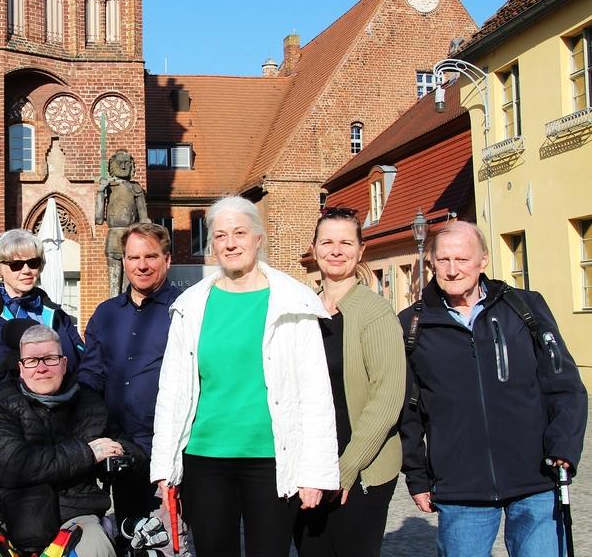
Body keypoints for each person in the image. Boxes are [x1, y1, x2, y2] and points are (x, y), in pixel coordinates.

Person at [150, 195, 339, 557]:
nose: (230, 243)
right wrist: (164, 465)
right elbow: (172, 391)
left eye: (239, 232)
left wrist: (316, 474)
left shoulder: (293, 304)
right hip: (205, 459)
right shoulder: (190, 306)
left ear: (258, 238)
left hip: (270, 460)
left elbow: (315, 394)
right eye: (220, 236)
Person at [400, 220, 587, 556]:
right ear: (431, 263)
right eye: (443, 260)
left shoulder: (524, 307)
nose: (453, 270)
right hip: (460, 490)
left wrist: (564, 447)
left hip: (536, 479)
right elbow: (408, 411)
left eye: (462, 259)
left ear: (483, 260)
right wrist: (417, 476)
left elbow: (565, 384)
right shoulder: (412, 325)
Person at [0, 324, 139, 557]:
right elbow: (12, 465)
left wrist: (122, 453)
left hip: (71, 512)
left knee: (96, 546)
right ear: (21, 368)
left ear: (64, 363)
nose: (41, 368)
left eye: (50, 358)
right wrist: (87, 454)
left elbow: (131, 450)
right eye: (32, 361)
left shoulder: (89, 404)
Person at [293, 207, 405, 557]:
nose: (336, 250)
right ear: (314, 249)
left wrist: (346, 468)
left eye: (345, 242)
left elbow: (387, 400)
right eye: (327, 242)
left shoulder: (375, 312)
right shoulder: (301, 311)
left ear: (360, 251)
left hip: (361, 468)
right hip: (310, 467)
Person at [84, 222, 182, 553]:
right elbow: (92, 375)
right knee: (129, 540)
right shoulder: (105, 314)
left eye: (151, 256)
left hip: (170, 452)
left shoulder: (184, 311)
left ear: (167, 260)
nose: (142, 265)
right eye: (133, 257)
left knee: (169, 544)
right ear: (123, 261)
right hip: (122, 452)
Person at [0, 228, 93, 393]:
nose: (27, 270)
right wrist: (14, 361)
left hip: (61, 409)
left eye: (33, 263)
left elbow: (81, 360)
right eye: (16, 265)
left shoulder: (54, 312)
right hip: (8, 411)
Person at [95, 150, 150, 298]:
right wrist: (101, 193)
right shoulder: (110, 187)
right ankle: (114, 310)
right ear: (112, 166)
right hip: (114, 236)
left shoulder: (135, 188)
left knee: (130, 283)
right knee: (113, 284)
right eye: (120, 163)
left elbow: (144, 218)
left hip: (130, 237)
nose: (124, 167)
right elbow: (99, 218)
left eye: (127, 163)